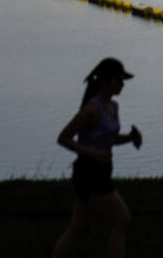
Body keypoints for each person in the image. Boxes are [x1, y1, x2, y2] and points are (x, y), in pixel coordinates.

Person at [51, 57, 143, 258]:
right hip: (89, 174)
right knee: (122, 219)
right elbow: (64, 137)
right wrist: (92, 153)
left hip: (101, 172)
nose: (122, 84)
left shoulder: (113, 107)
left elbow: (107, 139)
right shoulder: (91, 110)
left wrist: (130, 138)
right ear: (106, 81)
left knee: (79, 229)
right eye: (119, 79)